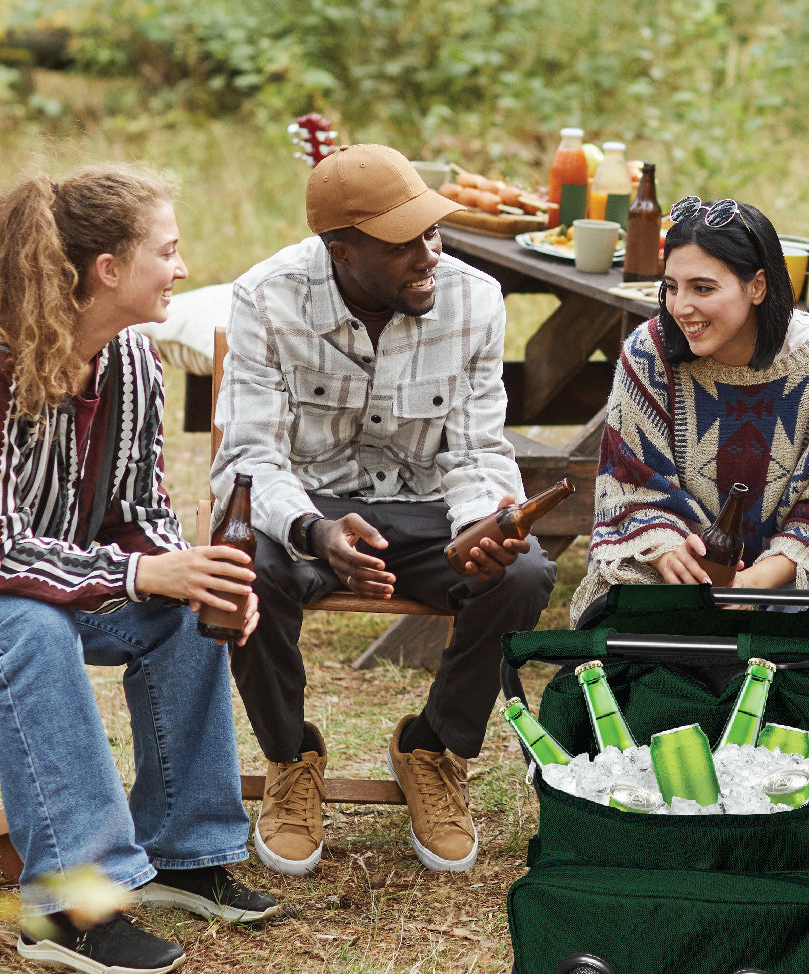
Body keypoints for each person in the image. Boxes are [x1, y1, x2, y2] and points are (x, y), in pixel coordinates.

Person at [212, 145, 556, 878]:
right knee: (240, 565)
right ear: (340, 250)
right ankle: (290, 756)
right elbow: (248, 461)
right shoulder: (265, 297)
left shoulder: (474, 299)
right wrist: (314, 531)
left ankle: (433, 747)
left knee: (524, 572)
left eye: (432, 232)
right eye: (404, 244)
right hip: (308, 507)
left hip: (427, 509)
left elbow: (476, 450)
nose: (430, 255)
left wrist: (479, 525)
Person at [0, 165, 277, 974]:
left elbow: (139, 516)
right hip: (13, 596)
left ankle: (187, 852)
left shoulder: (130, 362)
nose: (182, 269)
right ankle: (70, 909)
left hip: (58, 580)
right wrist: (144, 571)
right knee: (32, 628)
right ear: (108, 269)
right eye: (169, 251)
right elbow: (0, 550)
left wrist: (194, 578)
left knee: (185, 612)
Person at [570, 196, 809, 625]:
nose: (680, 307)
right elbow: (631, 488)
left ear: (757, 286)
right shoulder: (647, 355)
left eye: (703, 288)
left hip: (800, 573)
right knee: (631, 609)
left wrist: (752, 584)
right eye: (671, 287)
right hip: (679, 571)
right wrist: (665, 550)